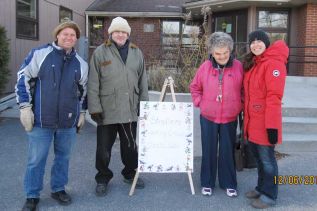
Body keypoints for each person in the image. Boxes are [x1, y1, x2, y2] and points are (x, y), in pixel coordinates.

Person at [15, 20, 88, 211]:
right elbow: (22, 77)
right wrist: (24, 107)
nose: (69, 37)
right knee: (36, 159)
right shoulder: (40, 54)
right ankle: (32, 195)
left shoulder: (80, 63)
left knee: (63, 158)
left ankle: (58, 189)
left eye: (73, 35)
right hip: (41, 121)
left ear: (76, 39)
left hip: (67, 122)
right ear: (57, 35)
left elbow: (84, 90)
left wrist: (81, 112)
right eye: (65, 34)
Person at [88, 16, 149, 196]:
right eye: (117, 31)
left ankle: (130, 174)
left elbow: (143, 81)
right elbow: (93, 82)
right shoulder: (100, 52)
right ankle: (102, 178)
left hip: (129, 109)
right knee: (103, 149)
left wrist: (143, 106)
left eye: (123, 31)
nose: (120, 34)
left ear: (128, 33)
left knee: (130, 146)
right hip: (107, 110)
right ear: (111, 33)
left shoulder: (137, 52)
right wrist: (94, 108)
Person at [190, 32, 243, 197]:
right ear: (212, 52)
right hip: (208, 117)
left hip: (230, 117)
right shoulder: (205, 67)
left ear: (230, 51)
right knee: (209, 150)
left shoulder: (238, 66)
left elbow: (244, 90)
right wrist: (200, 102)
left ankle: (229, 183)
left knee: (227, 151)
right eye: (218, 53)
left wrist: (239, 104)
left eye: (225, 53)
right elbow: (194, 87)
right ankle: (207, 182)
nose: (222, 56)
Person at [243, 29, 289, 209]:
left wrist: (272, 127)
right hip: (252, 122)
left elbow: (274, 98)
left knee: (267, 161)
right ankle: (261, 188)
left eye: (259, 41)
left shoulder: (273, 64)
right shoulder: (255, 63)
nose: (256, 44)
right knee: (260, 160)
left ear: (266, 43)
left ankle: (270, 195)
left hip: (264, 123)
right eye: (252, 42)